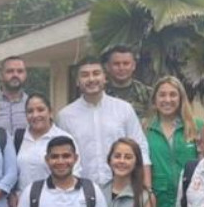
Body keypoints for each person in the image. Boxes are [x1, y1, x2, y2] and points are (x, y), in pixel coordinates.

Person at [57, 58, 151, 188]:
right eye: (85, 75)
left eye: (96, 73)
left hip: (121, 187)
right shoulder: (65, 116)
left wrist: (147, 188)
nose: (91, 79)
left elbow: (140, 147)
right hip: (80, 189)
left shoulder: (124, 109)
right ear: (77, 81)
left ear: (104, 78)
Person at [144, 76, 202, 207]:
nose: (167, 100)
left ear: (181, 98)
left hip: (189, 206)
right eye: (162, 95)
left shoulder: (196, 127)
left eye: (172, 95)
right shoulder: (144, 128)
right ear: (155, 99)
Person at [11, 92, 81, 204]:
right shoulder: (18, 138)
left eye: (40, 110)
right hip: (23, 204)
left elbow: (75, 174)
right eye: (30, 111)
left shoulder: (64, 138)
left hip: (54, 203)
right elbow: (10, 172)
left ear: (50, 112)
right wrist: (11, 195)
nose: (35, 115)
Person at [103, 45, 152, 120]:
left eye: (126, 64)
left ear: (134, 66)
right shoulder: (99, 94)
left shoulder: (147, 94)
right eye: (116, 64)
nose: (121, 68)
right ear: (107, 67)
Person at [0, 56, 29, 137]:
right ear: (0, 75)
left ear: (25, 75)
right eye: (10, 71)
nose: (15, 75)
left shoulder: (32, 104)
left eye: (20, 71)